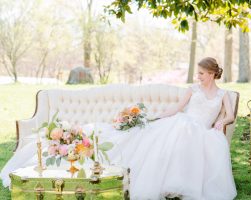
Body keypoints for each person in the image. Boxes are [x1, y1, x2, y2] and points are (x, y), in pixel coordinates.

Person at [1, 57, 237, 200]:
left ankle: (180, 185)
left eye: (203, 74)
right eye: (198, 74)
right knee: (168, 133)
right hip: (182, 123)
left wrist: (221, 121)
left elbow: (230, 115)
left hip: (201, 130)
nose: (199, 78)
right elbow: (176, 109)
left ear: (214, 73)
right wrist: (155, 117)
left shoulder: (223, 94)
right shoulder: (193, 90)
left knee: (196, 138)